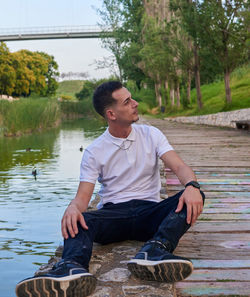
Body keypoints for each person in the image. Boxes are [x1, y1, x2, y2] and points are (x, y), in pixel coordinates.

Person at [16, 81, 205, 297]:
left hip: (150, 214)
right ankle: (71, 268)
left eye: (131, 98)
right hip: (114, 215)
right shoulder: (94, 151)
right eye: (127, 101)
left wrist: (192, 185)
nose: (135, 103)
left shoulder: (151, 134)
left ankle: (155, 249)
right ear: (111, 114)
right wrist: (72, 208)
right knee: (81, 219)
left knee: (194, 194)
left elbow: (178, 165)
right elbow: (83, 197)